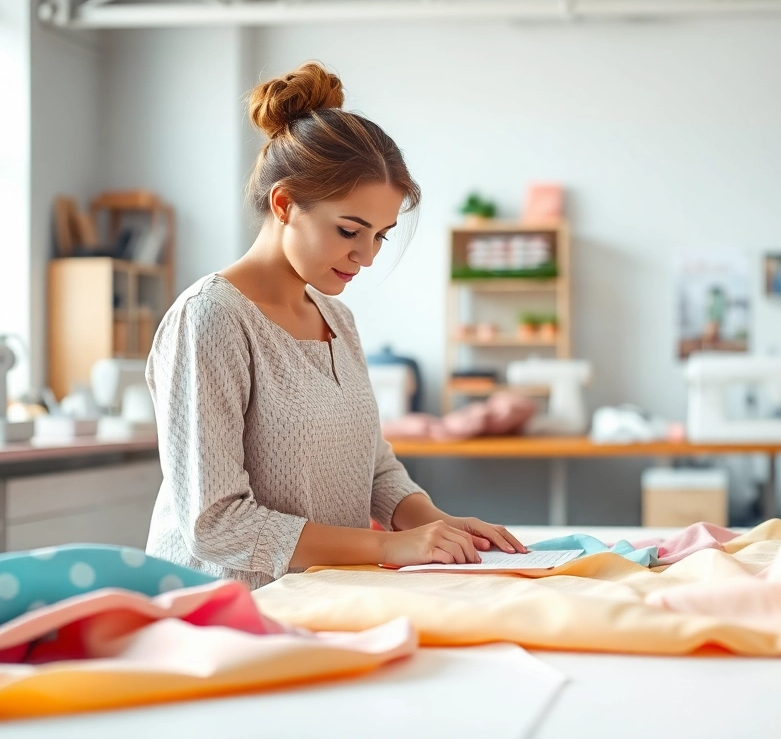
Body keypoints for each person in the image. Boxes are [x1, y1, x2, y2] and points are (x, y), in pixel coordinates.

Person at [144, 62, 525, 589]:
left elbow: (373, 465)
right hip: (226, 608)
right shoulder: (211, 318)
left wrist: (436, 523)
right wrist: (388, 546)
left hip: (317, 596)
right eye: (350, 230)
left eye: (381, 236)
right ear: (284, 203)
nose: (367, 256)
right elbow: (215, 523)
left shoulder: (336, 319)